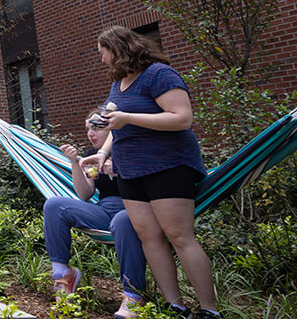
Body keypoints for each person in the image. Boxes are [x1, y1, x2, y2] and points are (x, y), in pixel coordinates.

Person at [82, 26, 218, 319]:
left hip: (168, 167)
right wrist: (103, 153)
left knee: (180, 236)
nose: (101, 59)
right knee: (149, 238)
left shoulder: (159, 74)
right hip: (130, 172)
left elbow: (182, 118)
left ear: (117, 48)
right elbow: (114, 126)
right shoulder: (119, 83)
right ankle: (175, 306)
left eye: (101, 52)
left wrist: (128, 117)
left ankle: (209, 310)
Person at [43, 108, 150, 318]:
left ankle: (133, 295)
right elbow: (85, 194)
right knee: (54, 205)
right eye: (88, 129)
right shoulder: (92, 157)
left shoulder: (131, 149)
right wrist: (75, 163)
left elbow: (150, 185)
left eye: (97, 128)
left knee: (121, 220)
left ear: (112, 129)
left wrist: (117, 168)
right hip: (104, 212)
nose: (91, 134)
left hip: (135, 210)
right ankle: (64, 275)